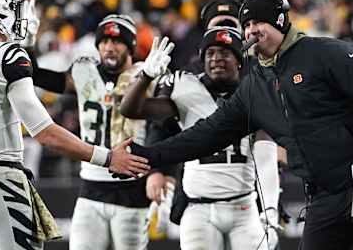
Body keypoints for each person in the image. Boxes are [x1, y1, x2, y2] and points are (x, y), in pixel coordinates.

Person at [126, 0, 353, 250]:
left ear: (280, 21)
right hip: (323, 195)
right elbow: (205, 135)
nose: (250, 31)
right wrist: (146, 156)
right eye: (246, 25)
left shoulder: (323, 53)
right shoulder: (254, 88)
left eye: (258, 22)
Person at [0, 0, 149, 249]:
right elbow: (43, 132)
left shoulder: (143, 75)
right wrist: (108, 156)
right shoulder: (8, 57)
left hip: (127, 192)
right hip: (2, 177)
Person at [120, 28, 280, 250]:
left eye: (225, 53)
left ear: (239, 60)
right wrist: (146, 76)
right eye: (210, 53)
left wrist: (270, 209)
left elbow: (266, 154)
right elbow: (130, 109)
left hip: (244, 206)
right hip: (198, 208)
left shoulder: (253, 92)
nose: (216, 59)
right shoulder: (186, 89)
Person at [28, 12, 154, 250]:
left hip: (132, 187)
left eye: (117, 41)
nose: (109, 47)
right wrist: (28, 46)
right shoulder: (84, 73)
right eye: (104, 41)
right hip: (91, 185)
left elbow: (165, 126)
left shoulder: (145, 75)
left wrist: (162, 172)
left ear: (131, 46)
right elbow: (37, 76)